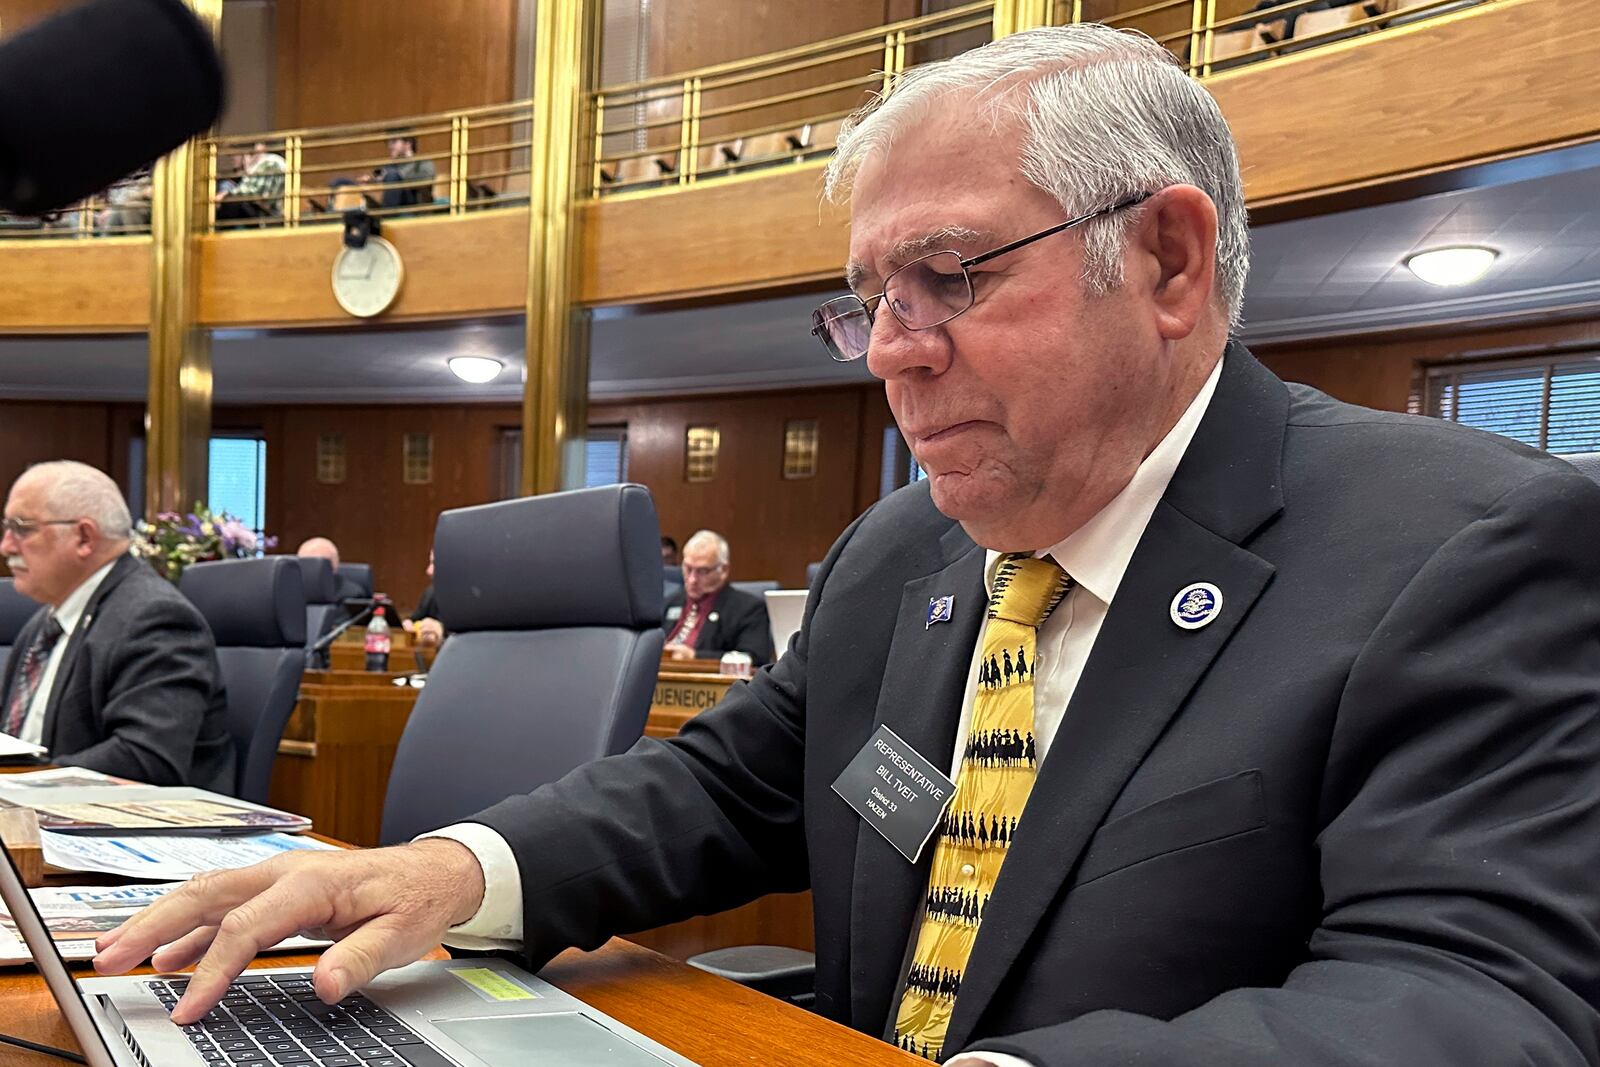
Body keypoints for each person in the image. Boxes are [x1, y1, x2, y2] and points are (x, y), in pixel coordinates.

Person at [96, 25, 1600, 1067]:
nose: (891, 352)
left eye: (946, 277)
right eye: (869, 299)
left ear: (1167, 259)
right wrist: (450, 864)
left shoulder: (1463, 548)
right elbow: (725, 782)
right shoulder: (907, 553)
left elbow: (1475, 996)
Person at [0, 462, 232, 790]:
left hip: (133, 829)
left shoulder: (155, 617)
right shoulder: (46, 621)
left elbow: (144, 760)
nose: (6, 545)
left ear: (83, 537)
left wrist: (20, 784)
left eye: (22, 528)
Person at [661, 529, 774, 664]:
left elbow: (754, 658)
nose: (692, 579)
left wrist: (696, 656)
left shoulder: (749, 609)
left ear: (724, 570)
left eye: (702, 571)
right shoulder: (669, 602)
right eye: (688, 569)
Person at [214, 142, 287, 222]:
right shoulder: (257, 167)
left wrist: (225, 195)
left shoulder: (270, 162)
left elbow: (255, 193)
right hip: (261, 214)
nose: (233, 159)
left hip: (266, 217)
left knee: (229, 202)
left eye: (235, 155)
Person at [367, 130, 436, 212]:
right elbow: (377, 179)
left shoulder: (422, 162)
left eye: (393, 141)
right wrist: (371, 181)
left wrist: (398, 176)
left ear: (408, 143)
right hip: (392, 202)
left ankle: (387, 216)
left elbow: (427, 179)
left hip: (415, 202)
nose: (389, 146)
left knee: (392, 175)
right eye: (388, 142)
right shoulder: (388, 166)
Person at [403, 550, 444, 649]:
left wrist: (442, 632)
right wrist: (408, 624)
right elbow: (415, 619)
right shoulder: (431, 592)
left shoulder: (474, 600)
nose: (428, 571)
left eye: (434, 563)